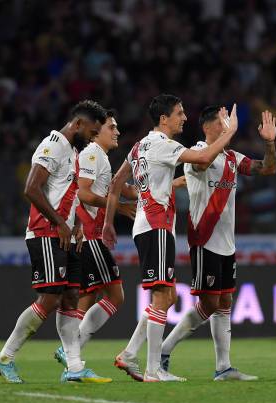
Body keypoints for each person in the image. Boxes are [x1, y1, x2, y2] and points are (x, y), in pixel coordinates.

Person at [102, 94, 239, 382]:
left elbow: (117, 184)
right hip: (157, 225)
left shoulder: (141, 145)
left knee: (167, 295)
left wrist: (109, 222)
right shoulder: (164, 145)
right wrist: (230, 132)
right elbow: (202, 157)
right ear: (164, 118)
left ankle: (129, 354)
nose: (184, 118)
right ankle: (153, 370)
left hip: (146, 223)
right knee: (163, 296)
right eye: (179, 113)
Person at [0, 100, 111, 384]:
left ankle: (74, 366)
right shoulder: (53, 143)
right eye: (92, 132)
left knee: (70, 297)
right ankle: (5, 357)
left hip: (66, 233)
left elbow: (67, 193)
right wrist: (59, 222)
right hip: (45, 232)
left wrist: (77, 223)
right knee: (49, 299)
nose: (93, 138)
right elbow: (31, 188)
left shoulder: (74, 151)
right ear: (78, 124)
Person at [160, 107, 276, 381]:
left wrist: (270, 142)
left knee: (224, 300)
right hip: (204, 238)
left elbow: (268, 168)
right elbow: (202, 164)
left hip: (227, 242)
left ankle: (223, 367)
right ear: (209, 126)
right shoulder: (197, 152)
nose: (229, 124)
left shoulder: (232, 158)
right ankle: (165, 349)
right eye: (224, 120)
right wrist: (230, 132)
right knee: (210, 302)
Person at [53, 109, 137, 367]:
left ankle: (70, 351)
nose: (117, 132)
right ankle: (71, 350)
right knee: (115, 296)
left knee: (89, 295)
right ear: (97, 131)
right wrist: (120, 207)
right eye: (111, 127)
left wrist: (164, 184)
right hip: (89, 235)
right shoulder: (91, 154)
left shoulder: (100, 157)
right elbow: (85, 194)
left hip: (88, 236)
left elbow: (125, 189)